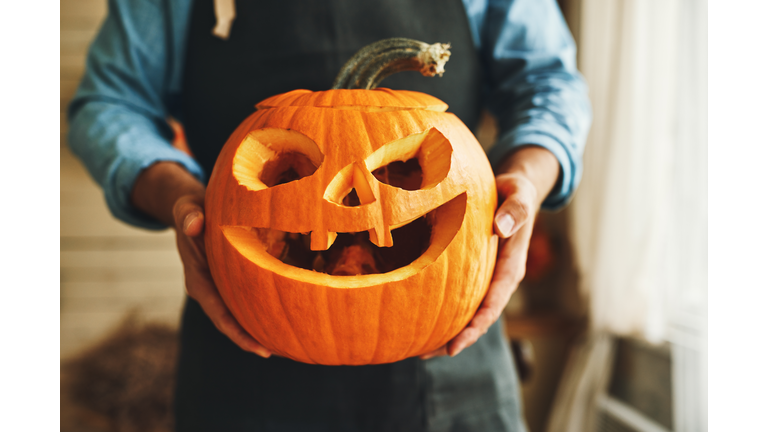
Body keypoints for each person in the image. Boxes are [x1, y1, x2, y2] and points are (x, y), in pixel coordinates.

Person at [68, 0, 591, 430]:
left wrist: (527, 180)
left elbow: (549, 84)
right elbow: (110, 104)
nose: (346, 202)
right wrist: (178, 196)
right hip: (246, 348)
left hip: (448, 356)